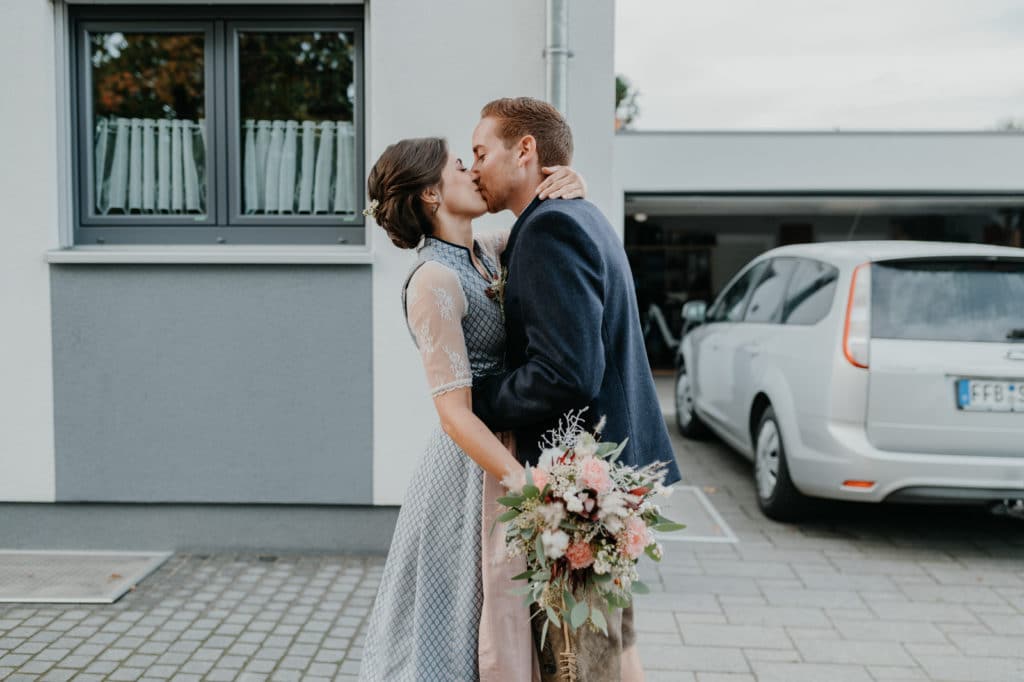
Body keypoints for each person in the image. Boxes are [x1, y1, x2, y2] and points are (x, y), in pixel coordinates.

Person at [469, 97, 684, 681]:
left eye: (481, 152)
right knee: (614, 648)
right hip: (609, 477)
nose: (474, 168)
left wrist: (477, 399)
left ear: (526, 149)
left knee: (578, 662)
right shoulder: (579, 213)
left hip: (580, 487)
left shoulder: (551, 228)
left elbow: (567, 372)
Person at [357, 135, 587, 682]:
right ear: (432, 195)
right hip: (467, 473)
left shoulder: (485, 251)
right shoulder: (433, 280)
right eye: (461, 166)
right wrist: (526, 487)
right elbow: (453, 413)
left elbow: (539, 221)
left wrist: (573, 184)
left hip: (509, 444)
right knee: (461, 624)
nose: (474, 172)